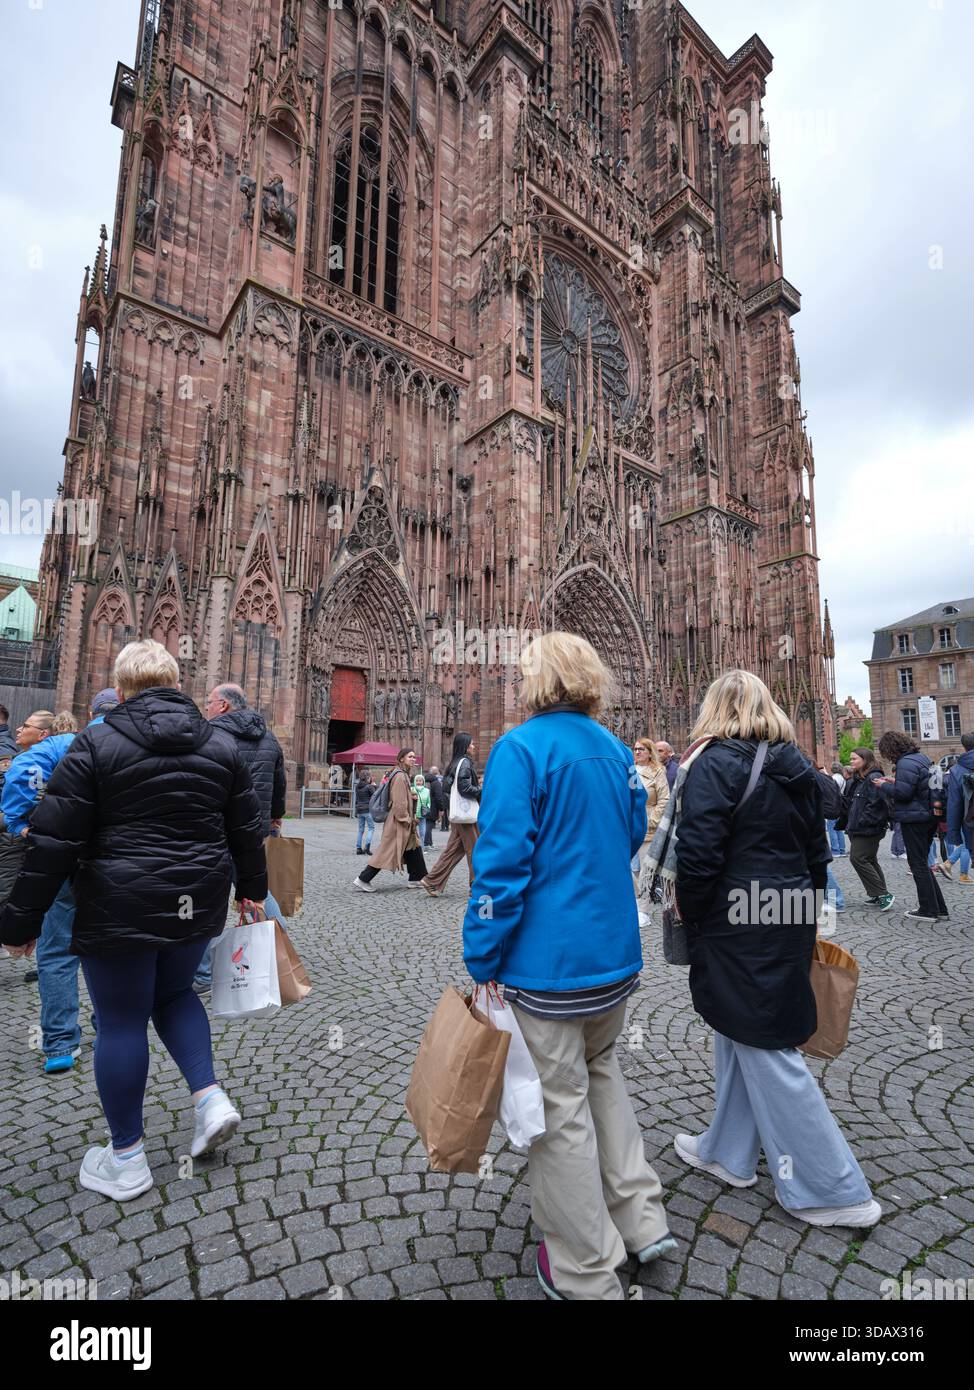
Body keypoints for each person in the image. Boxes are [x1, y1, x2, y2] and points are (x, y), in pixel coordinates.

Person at [0, 640, 266, 1201]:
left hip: (118, 904)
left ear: (120, 692)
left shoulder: (93, 744)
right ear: (176, 685)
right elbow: (248, 828)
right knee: (174, 997)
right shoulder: (220, 745)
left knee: (121, 1021)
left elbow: (53, 841)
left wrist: (20, 923)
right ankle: (210, 1100)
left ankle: (126, 1159)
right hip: (196, 901)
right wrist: (253, 893)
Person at [464, 632, 675, 1300]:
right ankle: (642, 1221)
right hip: (612, 958)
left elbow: (499, 870)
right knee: (602, 1077)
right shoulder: (615, 751)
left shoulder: (520, 750)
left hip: (546, 968)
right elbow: (633, 833)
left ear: (534, 683)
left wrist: (482, 954)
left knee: (559, 1108)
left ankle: (584, 1267)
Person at [671, 669, 880, 1230]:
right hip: (784, 910)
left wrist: (690, 908)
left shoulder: (715, 762)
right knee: (740, 1026)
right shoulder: (797, 766)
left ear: (716, 708)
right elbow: (818, 851)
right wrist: (805, 909)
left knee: (764, 1040)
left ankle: (832, 1188)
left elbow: (699, 853)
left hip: (738, 916)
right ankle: (729, 1149)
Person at [193, 683, 288, 991]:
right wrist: (274, 817)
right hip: (253, 830)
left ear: (223, 706)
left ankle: (204, 973)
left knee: (207, 896)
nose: (205, 707)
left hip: (217, 828)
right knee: (256, 890)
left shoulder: (211, 735)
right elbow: (279, 780)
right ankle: (279, 947)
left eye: (209, 702)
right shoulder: (268, 736)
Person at [1, 709, 78, 1071]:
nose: (19, 729)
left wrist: (20, 824)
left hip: (61, 859)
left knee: (58, 949)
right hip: (110, 862)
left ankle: (60, 1042)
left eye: (27, 725)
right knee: (109, 946)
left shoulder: (57, 748)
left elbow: (23, 777)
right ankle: (109, 1027)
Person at [876, 732, 948, 923]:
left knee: (917, 864)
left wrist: (883, 786)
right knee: (922, 863)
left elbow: (903, 793)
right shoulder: (921, 758)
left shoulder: (905, 763)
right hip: (928, 816)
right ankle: (939, 908)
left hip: (914, 818)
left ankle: (928, 909)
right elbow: (918, 786)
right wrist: (895, 781)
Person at [353, 748, 427, 891]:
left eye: (414, 757)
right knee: (385, 852)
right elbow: (399, 803)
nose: (413, 759)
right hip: (398, 822)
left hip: (402, 821)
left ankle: (416, 878)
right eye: (410, 757)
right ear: (401, 759)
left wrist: (411, 798)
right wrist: (406, 819)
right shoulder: (399, 776)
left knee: (414, 846)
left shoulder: (403, 774)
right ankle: (363, 879)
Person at [421, 733, 480, 898]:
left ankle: (432, 881)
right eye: (472, 744)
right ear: (466, 746)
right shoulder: (465, 763)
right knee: (475, 849)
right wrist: (483, 791)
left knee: (454, 850)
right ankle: (477, 886)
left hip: (458, 814)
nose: (474, 747)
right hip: (466, 815)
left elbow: (448, 789)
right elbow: (465, 788)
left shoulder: (454, 763)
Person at [836, 749, 894, 910]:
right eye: (851, 759)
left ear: (865, 759)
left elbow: (877, 804)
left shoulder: (873, 777)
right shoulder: (859, 779)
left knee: (858, 858)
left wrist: (863, 822)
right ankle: (878, 894)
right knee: (869, 859)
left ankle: (883, 894)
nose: (851, 761)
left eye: (854, 759)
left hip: (868, 827)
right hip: (859, 826)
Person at [633, 738, 669, 926]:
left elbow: (664, 798)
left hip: (648, 827)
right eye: (635, 749)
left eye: (641, 749)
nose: (637, 752)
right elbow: (629, 796)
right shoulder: (631, 771)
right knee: (632, 868)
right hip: (631, 824)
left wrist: (651, 821)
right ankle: (635, 903)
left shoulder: (657, 772)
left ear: (649, 752)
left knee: (646, 870)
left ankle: (643, 910)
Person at [946, 732, 974, 884]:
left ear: (964, 747)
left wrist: (954, 835)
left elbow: (954, 805)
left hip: (970, 824)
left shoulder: (956, 770)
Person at [827, 762, 847, 856]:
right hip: (840, 804)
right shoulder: (842, 778)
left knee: (832, 828)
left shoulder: (833, 778)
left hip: (832, 804)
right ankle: (842, 849)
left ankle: (835, 850)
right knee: (839, 829)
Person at [354, 770, 376, 854]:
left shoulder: (357, 786)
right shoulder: (369, 787)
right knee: (371, 828)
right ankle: (367, 847)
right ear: (368, 777)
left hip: (359, 810)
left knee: (360, 830)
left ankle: (358, 848)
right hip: (367, 810)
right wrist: (374, 786)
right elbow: (375, 796)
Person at [426, 765, 444, 848]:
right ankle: (427, 843)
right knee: (429, 825)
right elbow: (439, 797)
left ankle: (429, 842)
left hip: (423, 807)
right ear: (437, 772)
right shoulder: (436, 782)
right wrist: (441, 808)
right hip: (432, 807)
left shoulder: (424, 780)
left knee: (426, 825)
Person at [413, 772, 431, 846]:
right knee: (412, 832)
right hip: (413, 814)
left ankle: (421, 847)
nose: (418, 782)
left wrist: (427, 808)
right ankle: (413, 848)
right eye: (417, 780)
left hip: (422, 814)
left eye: (420, 781)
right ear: (415, 781)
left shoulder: (427, 790)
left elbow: (428, 802)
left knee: (422, 832)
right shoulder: (412, 789)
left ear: (423, 782)